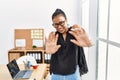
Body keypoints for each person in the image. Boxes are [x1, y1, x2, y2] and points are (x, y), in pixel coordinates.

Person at [45, 9, 92, 80]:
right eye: (56, 25)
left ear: (66, 20)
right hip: (57, 73)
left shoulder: (75, 32)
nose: (59, 27)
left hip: (73, 73)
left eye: (61, 23)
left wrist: (89, 43)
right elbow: (49, 51)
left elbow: (88, 42)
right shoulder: (54, 37)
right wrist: (48, 51)